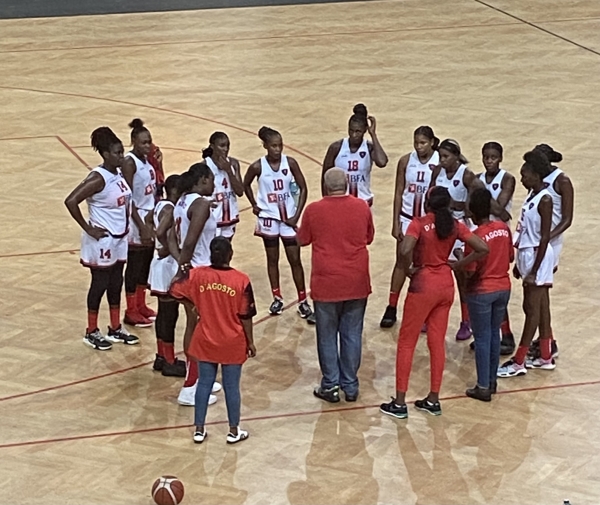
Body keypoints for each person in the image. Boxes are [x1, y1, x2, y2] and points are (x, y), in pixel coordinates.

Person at [379, 187, 488, 419]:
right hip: (446, 286)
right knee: (436, 343)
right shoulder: (454, 225)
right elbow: (482, 248)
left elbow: (405, 248)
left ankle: (399, 402)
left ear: (427, 203)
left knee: (406, 343)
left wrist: (408, 268)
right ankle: (433, 399)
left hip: (423, 286)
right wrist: (458, 265)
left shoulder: (418, 223)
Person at [297, 168, 374, 403]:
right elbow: (369, 237)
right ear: (347, 185)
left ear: (325, 186)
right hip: (356, 280)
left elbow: (302, 239)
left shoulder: (313, 210)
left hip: (326, 282)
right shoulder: (362, 207)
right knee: (352, 334)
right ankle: (350, 386)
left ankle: (330, 385)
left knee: (327, 336)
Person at [170, 237, 257, 444]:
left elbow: (173, 290)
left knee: (204, 385)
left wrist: (193, 303)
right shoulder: (241, 280)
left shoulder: (197, 275)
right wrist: (250, 342)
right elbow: (246, 316)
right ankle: (233, 430)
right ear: (231, 254)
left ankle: (199, 430)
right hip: (232, 341)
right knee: (231, 387)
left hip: (205, 338)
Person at [64, 127, 139, 350]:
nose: (121, 156)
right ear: (105, 154)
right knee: (100, 284)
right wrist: (88, 228)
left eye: (122, 151)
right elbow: (71, 201)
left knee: (117, 282)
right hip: (102, 240)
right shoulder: (98, 178)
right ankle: (91, 331)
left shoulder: (117, 174)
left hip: (118, 238)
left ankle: (115, 327)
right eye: (117, 152)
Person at [243, 126, 315, 323]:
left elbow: (303, 187)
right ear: (265, 146)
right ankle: (277, 297)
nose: (278, 149)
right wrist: (254, 205)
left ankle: (302, 300)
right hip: (268, 218)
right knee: (272, 259)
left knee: (295, 259)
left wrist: (297, 215)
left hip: (288, 219)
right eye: (274, 146)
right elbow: (245, 183)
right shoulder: (258, 166)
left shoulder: (290, 163)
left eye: (280, 145)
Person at [497, 150, 555, 378]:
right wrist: (521, 263)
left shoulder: (546, 199)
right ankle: (545, 355)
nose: (522, 179)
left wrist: (534, 269)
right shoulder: (533, 195)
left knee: (531, 310)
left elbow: (544, 237)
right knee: (538, 307)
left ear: (537, 175)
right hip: (527, 254)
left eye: (525, 175)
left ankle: (519, 360)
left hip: (537, 255)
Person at [452, 189, 513, 401]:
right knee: (494, 334)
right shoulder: (504, 229)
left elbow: (471, 270)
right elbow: (510, 257)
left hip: (482, 291)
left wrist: (460, 258)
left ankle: (483, 386)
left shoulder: (475, 237)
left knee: (482, 338)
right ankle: (492, 380)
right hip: (504, 287)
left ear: (472, 213)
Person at [380, 125, 440, 328]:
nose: (419, 146)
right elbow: (398, 192)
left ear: (432, 142)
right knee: (401, 261)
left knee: (424, 266)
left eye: (423, 142)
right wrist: (395, 221)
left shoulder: (439, 161)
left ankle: (423, 311)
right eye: (416, 142)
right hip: (407, 218)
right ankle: (391, 306)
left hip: (427, 221)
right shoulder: (406, 161)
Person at [172, 164, 220, 406]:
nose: (215, 185)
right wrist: (182, 269)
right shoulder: (199, 204)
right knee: (197, 329)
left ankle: (200, 378)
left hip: (193, 269)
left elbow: (175, 235)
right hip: (198, 272)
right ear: (202, 180)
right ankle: (189, 388)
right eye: (212, 180)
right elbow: (190, 242)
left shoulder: (183, 201)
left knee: (196, 325)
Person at [527, 143, 574, 360]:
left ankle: (547, 342)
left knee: (540, 295)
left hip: (549, 244)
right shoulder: (536, 179)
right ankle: (546, 340)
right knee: (539, 296)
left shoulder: (562, 181)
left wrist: (545, 238)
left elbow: (566, 220)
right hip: (537, 242)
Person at [434, 139, 482, 341]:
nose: (442, 160)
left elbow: (474, 207)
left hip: (458, 228)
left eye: (446, 156)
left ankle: (466, 321)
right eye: (441, 156)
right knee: (434, 272)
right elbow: (431, 197)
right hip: (439, 228)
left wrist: (455, 204)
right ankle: (431, 317)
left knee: (461, 278)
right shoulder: (437, 172)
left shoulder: (467, 175)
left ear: (456, 156)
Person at [476, 142, 516, 355]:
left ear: (500, 158)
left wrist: (480, 194)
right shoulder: (478, 179)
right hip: (482, 234)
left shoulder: (507, 179)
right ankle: (485, 333)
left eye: (493, 157)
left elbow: (500, 209)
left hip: (500, 236)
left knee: (496, 286)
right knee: (481, 286)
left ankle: (507, 334)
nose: (489, 161)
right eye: (486, 157)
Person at [148, 174, 186, 377]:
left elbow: (148, 221)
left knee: (163, 313)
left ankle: (161, 356)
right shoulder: (170, 208)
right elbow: (161, 230)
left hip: (158, 265)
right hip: (167, 264)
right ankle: (170, 360)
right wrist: (165, 247)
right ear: (174, 192)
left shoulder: (158, 205)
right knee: (169, 315)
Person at [121, 119, 158, 327]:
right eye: (144, 142)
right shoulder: (129, 162)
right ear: (134, 141)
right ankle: (131, 309)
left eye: (149, 142)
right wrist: (141, 225)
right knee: (134, 265)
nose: (147, 146)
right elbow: (127, 197)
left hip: (148, 217)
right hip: (136, 220)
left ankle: (141, 304)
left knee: (146, 262)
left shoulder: (147, 161)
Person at [321, 103, 388, 204]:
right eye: (351, 130)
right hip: (341, 204)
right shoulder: (336, 148)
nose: (354, 135)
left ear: (365, 130)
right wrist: (326, 202)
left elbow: (382, 162)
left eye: (358, 131)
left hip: (363, 203)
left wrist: (373, 135)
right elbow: (325, 177)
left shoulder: (369, 147)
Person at [202, 132, 245, 240]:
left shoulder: (233, 164)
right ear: (212, 146)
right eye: (222, 146)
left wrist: (229, 171)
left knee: (225, 253)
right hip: (213, 217)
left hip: (229, 217)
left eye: (227, 146)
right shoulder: (205, 165)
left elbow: (240, 192)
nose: (225, 149)